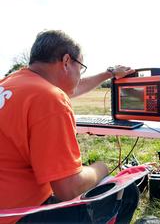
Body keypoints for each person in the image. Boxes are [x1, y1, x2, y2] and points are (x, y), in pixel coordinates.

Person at [0, 30, 139, 224]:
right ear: (66, 61)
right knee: (127, 191)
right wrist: (101, 168)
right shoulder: (49, 98)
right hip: (19, 215)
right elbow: (68, 189)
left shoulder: (11, 84)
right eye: (81, 67)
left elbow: (72, 86)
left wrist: (109, 73)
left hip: (6, 206)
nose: (80, 75)